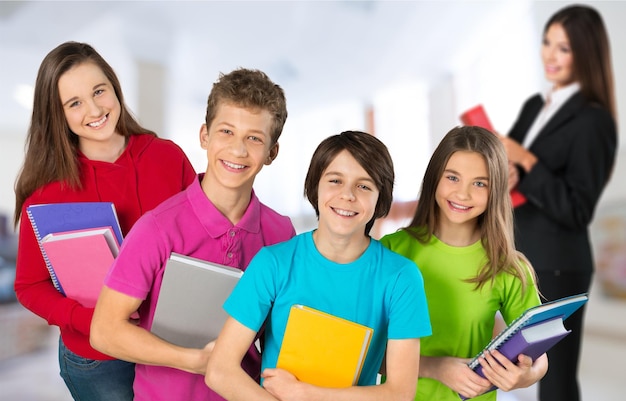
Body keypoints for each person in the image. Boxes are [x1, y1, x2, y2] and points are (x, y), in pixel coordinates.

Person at [89, 67, 296, 401]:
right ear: (205, 136)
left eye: (254, 138)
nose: (238, 150)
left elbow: (280, 333)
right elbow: (104, 331)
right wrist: (194, 361)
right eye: (226, 131)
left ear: (272, 152)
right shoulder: (157, 227)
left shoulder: (281, 232)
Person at [13, 41, 196, 401]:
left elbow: (200, 235)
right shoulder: (48, 194)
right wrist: (88, 320)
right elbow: (29, 286)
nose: (95, 109)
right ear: (57, 114)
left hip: (168, 341)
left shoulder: (167, 156)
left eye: (99, 91)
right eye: (74, 103)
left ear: (114, 87)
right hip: (98, 358)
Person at [206, 130, 432, 401]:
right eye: (335, 181)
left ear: (380, 199)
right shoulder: (273, 263)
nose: (347, 195)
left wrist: (304, 394)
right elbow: (220, 370)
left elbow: (400, 393)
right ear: (315, 186)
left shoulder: (401, 278)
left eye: (364, 186)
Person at [497, 5, 617, 401]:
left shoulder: (594, 121)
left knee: (556, 380)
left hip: (558, 264)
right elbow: (511, 166)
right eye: (547, 42)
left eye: (563, 48)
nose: (550, 54)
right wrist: (510, 170)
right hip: (519, 256)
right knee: (514, 368)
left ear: (585, 53)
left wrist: (529, 162)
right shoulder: (535, 106)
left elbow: (577, 208)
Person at [380, 126, 548, 401]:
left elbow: (539, 358)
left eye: (480, 183)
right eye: (453, 178)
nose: (463, 193)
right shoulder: (391, 251)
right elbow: (364, 352)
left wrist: (523, 377)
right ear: (435, 178)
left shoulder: (509, 267)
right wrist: (437, 368)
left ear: (496, 190)